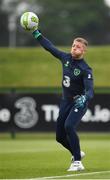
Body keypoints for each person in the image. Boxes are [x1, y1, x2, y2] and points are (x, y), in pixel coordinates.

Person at [32, 30, 94, 171]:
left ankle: (77, 162)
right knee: (59, 137)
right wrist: (36, 33)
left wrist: (85, 98)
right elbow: (50, 47)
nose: (74, 48)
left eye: (78, 47)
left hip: (79, 102)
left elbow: (90, 90)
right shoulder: (65, 58)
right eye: (73, 45)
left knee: (69, 126)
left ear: (84, 50)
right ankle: (77, 152)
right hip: (65, 101)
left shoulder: (86, 69)